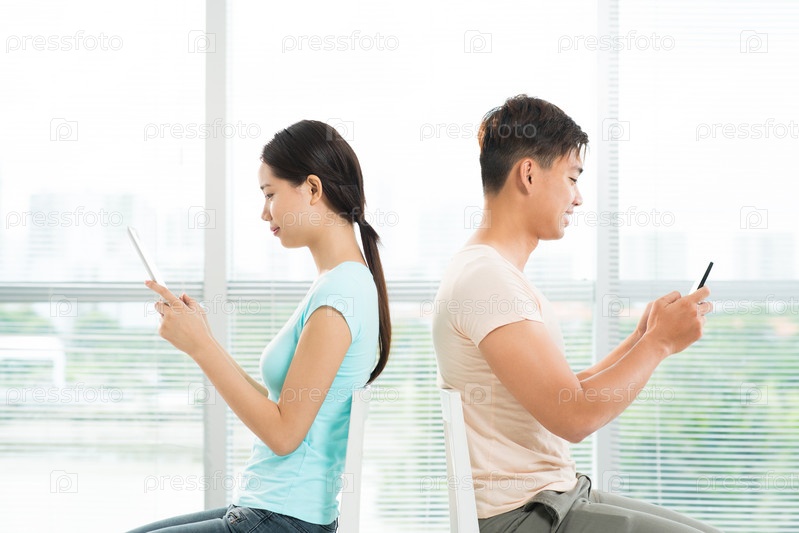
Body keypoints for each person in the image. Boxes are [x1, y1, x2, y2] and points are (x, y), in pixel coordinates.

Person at [431, 95, 720, 532]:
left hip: (553, 499)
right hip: (523, 516)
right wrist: (659, 344)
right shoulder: (486, 280)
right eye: (571, 178)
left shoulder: (492, 273)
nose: (578, 198)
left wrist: (641, 339)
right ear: (529, 174)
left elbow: (564, 392)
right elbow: (574, 416)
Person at [129, 120, 391, 533]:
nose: (264, 212)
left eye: (270, 194)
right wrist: (203, 338)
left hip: (284, 519)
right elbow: (279, 405)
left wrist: (201, 348)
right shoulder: (337, 284)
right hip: (270, 510)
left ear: (312, 188)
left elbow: (284, 434)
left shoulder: (342, 292)